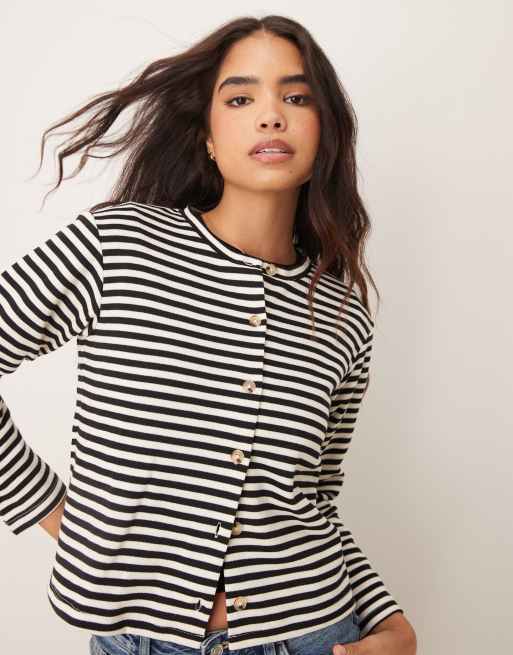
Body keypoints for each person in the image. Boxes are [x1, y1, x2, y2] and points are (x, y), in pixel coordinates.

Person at [0, 14, 417, 655]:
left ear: (325, 133)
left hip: (314, 634)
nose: (271, 116)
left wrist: (390, 622)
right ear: (209, 138)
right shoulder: (118, 246)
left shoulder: (342, 315)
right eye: (242, 99)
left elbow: (314, 501)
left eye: (297, 98)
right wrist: (61, 517)